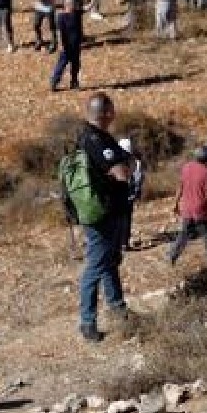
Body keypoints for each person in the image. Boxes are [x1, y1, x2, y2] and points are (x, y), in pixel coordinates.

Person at [73, 92, 131, 342]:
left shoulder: (87, 137)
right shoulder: (96, 140)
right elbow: (122, 173)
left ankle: (118, 308)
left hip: (103, 211)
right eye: (111, 110)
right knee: (96, 266)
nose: (114, 113)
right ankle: (87, 322)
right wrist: (127, 165)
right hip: (102, 213)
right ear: (105, 113)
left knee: (109, 261)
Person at [169, 147, 207, 265]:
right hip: (201, 209)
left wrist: (175, 204)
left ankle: (172, 255)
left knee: (184, 234)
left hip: (187, 208)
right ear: (206, 158)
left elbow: (180, 187)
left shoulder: (186, 167)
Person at [50, 0, 84, 91]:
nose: (73, 6)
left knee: (75, 65)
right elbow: (60, 32)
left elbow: (88, 7)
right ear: (66, 5)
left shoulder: (77, 14)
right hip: (66, 45)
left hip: (76, 44)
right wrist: (60, 44)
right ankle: (54, 82)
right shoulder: (61, 17)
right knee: (62, 64)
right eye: (70, 4)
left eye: (73, 4)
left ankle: (74, 82)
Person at [116, 137, 143, 252]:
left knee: (119, 220)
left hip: (117, 194)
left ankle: (118, 243)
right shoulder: (134, 162)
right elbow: (138, 178)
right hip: (128, 194)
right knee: (126, 219)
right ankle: (124, 244)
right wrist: (136, 193)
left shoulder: (114, 160)